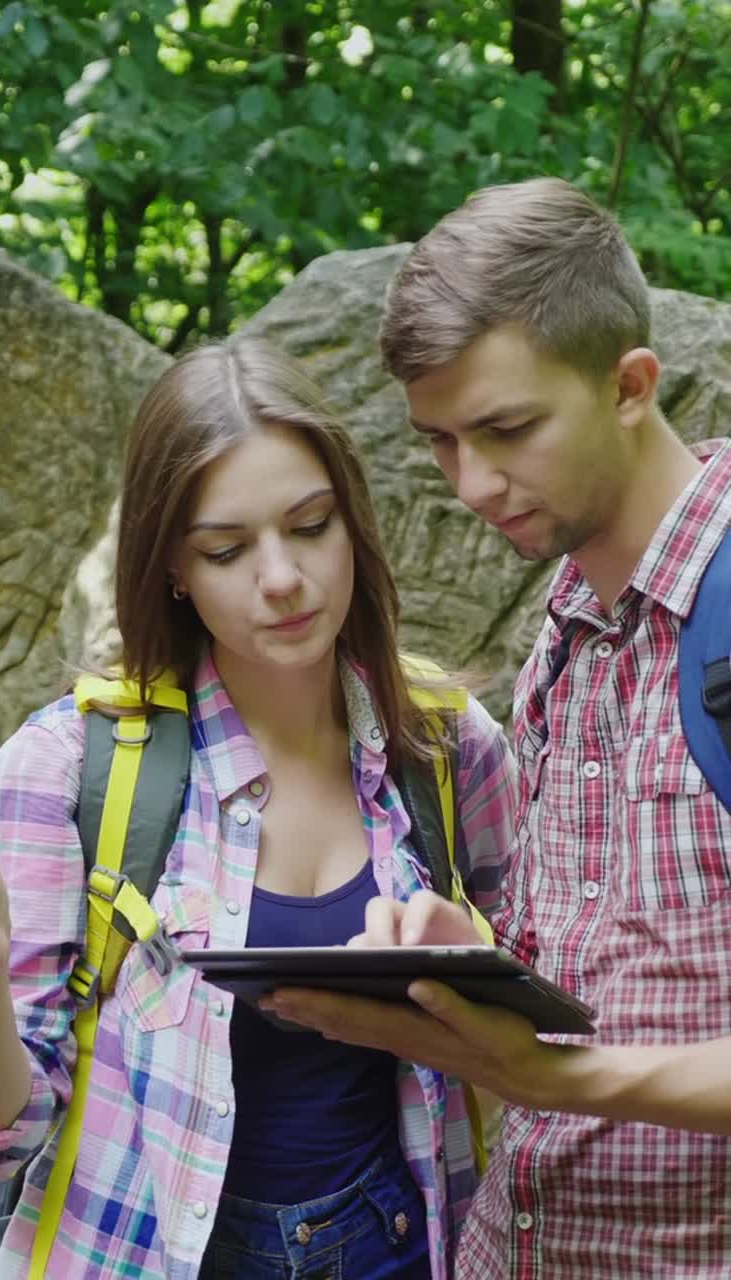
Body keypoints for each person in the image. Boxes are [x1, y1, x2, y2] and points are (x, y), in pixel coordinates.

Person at [0, 337, 515, 1280]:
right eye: (226, 548)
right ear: (174, 568)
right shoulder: (68, 768)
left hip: (408, 1244)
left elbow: (540, 1027)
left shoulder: (443, 744)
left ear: (353, 523)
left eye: (310, 526)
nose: (280, 578)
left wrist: (471, 964)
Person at [265, 177, 731, 1278]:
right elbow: (609, 963)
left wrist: (561, 1078)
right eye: (437, 441)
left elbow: (563, 1064)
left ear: (627, 384)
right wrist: (463, 959)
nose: (471, 482)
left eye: (505, 429)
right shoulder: (564, 639)